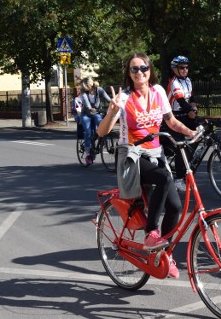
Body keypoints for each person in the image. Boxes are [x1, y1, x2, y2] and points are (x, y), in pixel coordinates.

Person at [97, 53, 197, 279]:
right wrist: (112, 111)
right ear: (129, 74)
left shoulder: (159, 92)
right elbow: (101, 132)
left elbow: (171, 121)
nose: (140, 72)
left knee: (175, 207)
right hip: (131, 156)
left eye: (144, 68)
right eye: (134, 69)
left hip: (155, 153)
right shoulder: (123, 99)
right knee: (164, 177)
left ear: (150, 71)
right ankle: (152, 232)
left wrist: (191, 131)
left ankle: (163, 254)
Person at [164, 55, 198, 193]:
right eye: (181, 67)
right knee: (181, 148)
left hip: (185, 114)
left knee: (198, 136)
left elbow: (191, 98)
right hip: (174, 116)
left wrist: (194, 108)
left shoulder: (188, 80)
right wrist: (191, 110)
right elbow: (181, 101)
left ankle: (187, 165)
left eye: (186, 67)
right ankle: (178, 179)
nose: (185, 70)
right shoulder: (174, 82)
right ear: (175, 69)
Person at [79, 77, 111, 164]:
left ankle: (102, 140)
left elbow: (108, 99)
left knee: (101, 123)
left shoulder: (99, 90)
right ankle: (87, 152)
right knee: (88, 132)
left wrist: (114, 104)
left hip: (96, 112)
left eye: (85, 86)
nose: (84, 88)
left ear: (89, 85)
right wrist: (89, 108)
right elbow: (86, 101)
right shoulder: (83, 91)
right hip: (86, 114)